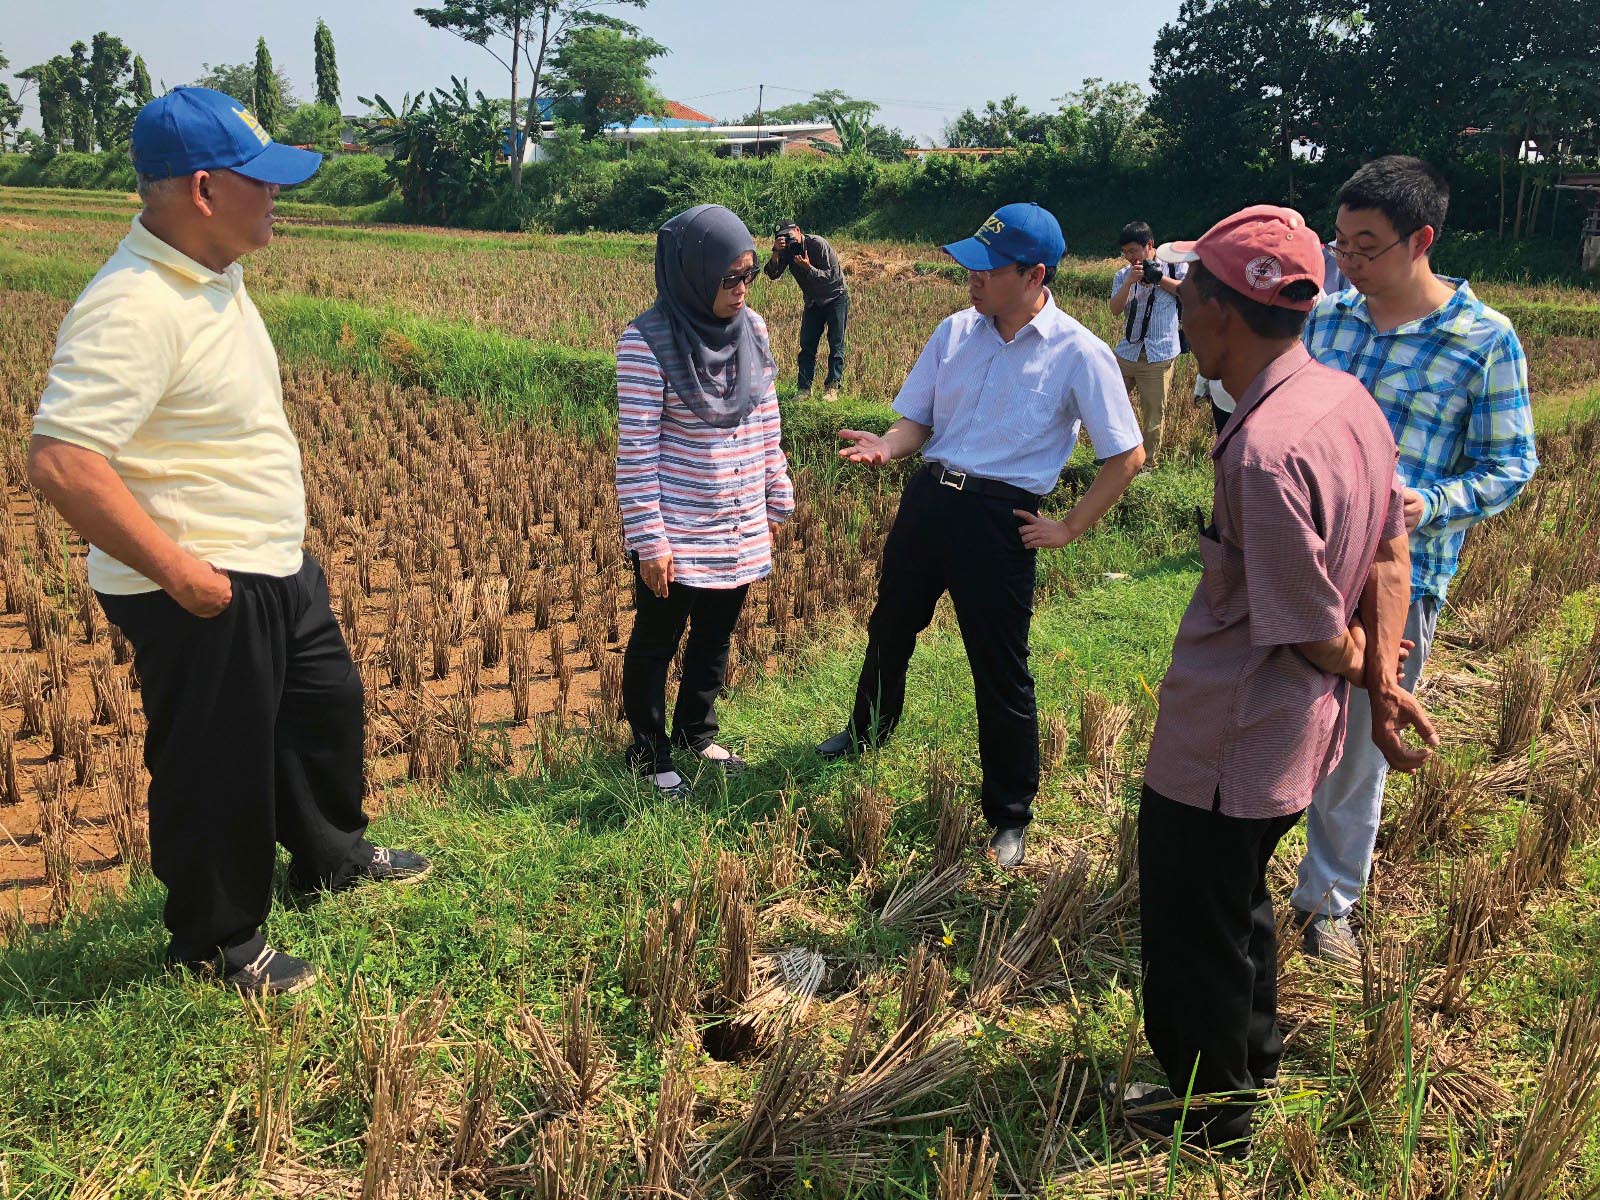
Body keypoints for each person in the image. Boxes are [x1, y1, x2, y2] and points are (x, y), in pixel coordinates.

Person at [27, 88, 430, 997]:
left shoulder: (212, 271)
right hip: (196, 578)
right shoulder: (130, 305)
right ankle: (217, 942)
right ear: (204, 190)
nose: (279, 197)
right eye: (264, 182)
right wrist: (180, 573)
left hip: (269, 558)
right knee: (217, 762)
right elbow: (59, 461)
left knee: (323, 708)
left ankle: (329, 855)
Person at [1125, 205, 1438, 1155]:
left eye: (1190, 303)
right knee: (1241, 905)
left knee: (1192, 925)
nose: (1181, 321)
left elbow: (1309, 633)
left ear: (1220, 312)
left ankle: (1209, 1113)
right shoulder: (1346, 399)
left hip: (1230, 736)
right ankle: (1249, 1066)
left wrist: (1367, 676)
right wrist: (1382, 685)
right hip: (1298, 736)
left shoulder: (1263, 453)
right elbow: (1390, 552)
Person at [814, 203, 1145, 869]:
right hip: (931, 499)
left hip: (1002, 520)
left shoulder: (1080, 351)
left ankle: (1010, 813)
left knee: (1000, 671)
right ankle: (867, 730)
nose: (973, 277)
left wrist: (1071, 526)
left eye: (988, 269)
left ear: (1034, 275)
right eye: (971, 264)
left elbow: (1127, 455)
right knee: (891, 626)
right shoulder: (955, 332)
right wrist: (889, 445)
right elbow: (917, 421)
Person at [1290, 156, 1538, 960]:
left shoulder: (1484, 340)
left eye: (1366, 247)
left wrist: (1430, 504)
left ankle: (1326, 902)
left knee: (1363, 741)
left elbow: (1511, 466)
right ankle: (1240, 864)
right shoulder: (1327, 318)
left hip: (1402, 580)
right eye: (1342, 245)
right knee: (1277, 718)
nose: (1349, 262)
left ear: (1420, 240)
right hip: (1304, 563)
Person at [616, 205, 794, 798]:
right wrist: (651, 540)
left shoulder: (756, 331)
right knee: (656, 641)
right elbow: (637, 453)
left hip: (737, 517)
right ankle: (648, 748)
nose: (741, 289)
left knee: (717, 634)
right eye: (728, 278)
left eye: (747, 274)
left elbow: (767, 420)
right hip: (677, 525)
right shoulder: (645, 343)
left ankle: (697, 730)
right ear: (690, 272)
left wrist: (774, 495)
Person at [1109, 220, 1185, 465]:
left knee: (1153, 415)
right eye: (1125, 253)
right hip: (1128, 352)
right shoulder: (1123, 275)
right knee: (1109, 403)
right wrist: (1130, 282)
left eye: (1133, 251)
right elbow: (1114, 309)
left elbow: (1188, 292)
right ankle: (1113, 453)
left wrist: (1158, 279)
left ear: (1149, 245)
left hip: (1159, 354)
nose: (1129, 257)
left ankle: (1148, 464)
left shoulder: (1174, 267)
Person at [763, 220, 849, 399]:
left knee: (836, 343)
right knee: (807, 345)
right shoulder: (786, 251)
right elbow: (772, 274)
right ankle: (804, 389)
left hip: (835, 296)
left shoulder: (817, 244)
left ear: (798, 231)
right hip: (813, 301)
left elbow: (831, 277)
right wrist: (775, 252)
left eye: (789, 235)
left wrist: (808, 268)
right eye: (782, 237)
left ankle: (832, 388)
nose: (787, 239)